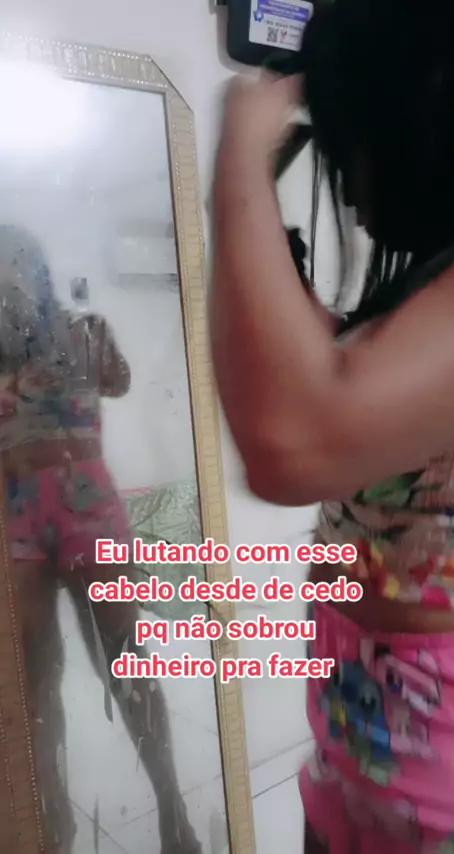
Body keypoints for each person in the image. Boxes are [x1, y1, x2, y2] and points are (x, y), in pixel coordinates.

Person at [210, 1, 454, 851]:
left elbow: (290, 445)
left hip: (448, 772)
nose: (349, 182)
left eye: (348, 138)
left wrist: (240, 158)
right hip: (356, 733)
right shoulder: (439, 292)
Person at [0, 225, 200, 854]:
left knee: (126, 659)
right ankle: (52, 818)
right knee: (34, 678)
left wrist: (90, 350)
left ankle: (172, 809)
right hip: (16, 512)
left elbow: (120, 382)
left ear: (37, 275)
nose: (10, 287)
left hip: (87, 507)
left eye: (17, 271)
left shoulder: (81, 328)